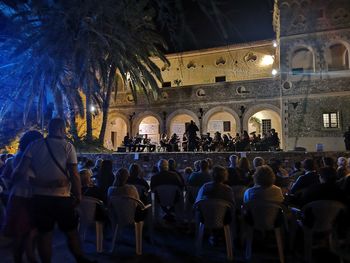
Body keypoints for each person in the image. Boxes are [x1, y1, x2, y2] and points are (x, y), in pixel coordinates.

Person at [11, 118, 95, 263]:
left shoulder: (34, 146)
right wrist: (78, 195)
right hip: (62, 197)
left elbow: (20, 171)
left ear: (49, 129)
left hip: (39, 198)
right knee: (71, 232)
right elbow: (74, 174)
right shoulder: (68, 147)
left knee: (45, 235)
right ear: (62, 129)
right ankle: (80, 259)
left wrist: (36, 182)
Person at [2, 130, 43, 263]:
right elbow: (26, 177)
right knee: (22, 234)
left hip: (21, 197)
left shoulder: (19, 156)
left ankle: (26, 258)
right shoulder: (23, 157)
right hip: (22, 198)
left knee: (25, 233)